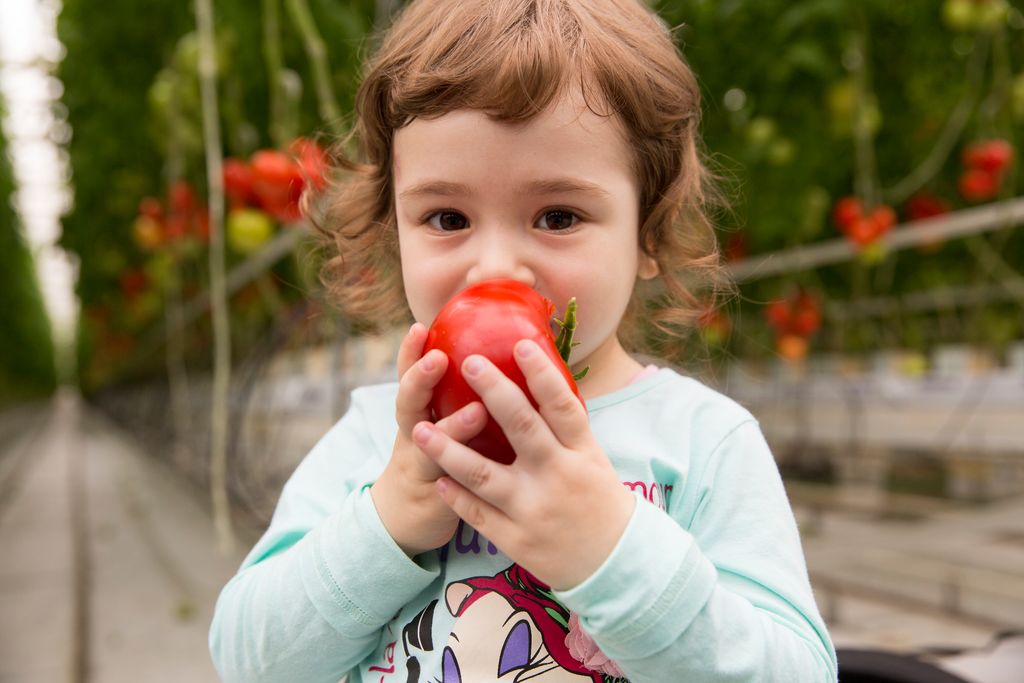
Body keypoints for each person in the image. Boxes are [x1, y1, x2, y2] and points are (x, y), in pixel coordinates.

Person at [209, 0, 838, 681]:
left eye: (558, 215)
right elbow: (249, 659)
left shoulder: (700, 442)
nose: (497, 267)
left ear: (648, 233)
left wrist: (611, 548)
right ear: (395, 231)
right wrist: (386, 521)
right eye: (447, 216)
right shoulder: (372, 444)